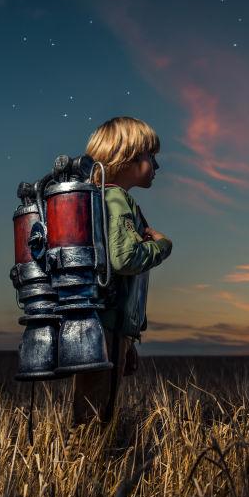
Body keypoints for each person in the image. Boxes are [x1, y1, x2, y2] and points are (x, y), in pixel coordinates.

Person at [72, 116, 173, 427]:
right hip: (106, 325)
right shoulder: (115, 199)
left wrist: (128, 339)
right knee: (96, 415)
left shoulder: (101, 198)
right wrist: (162, 246)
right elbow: (125, 258)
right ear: (128, 158)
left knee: (97, 407)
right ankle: (88, 468)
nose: (156, 166)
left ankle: (88, 465)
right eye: (150, 157)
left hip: (106, 325)